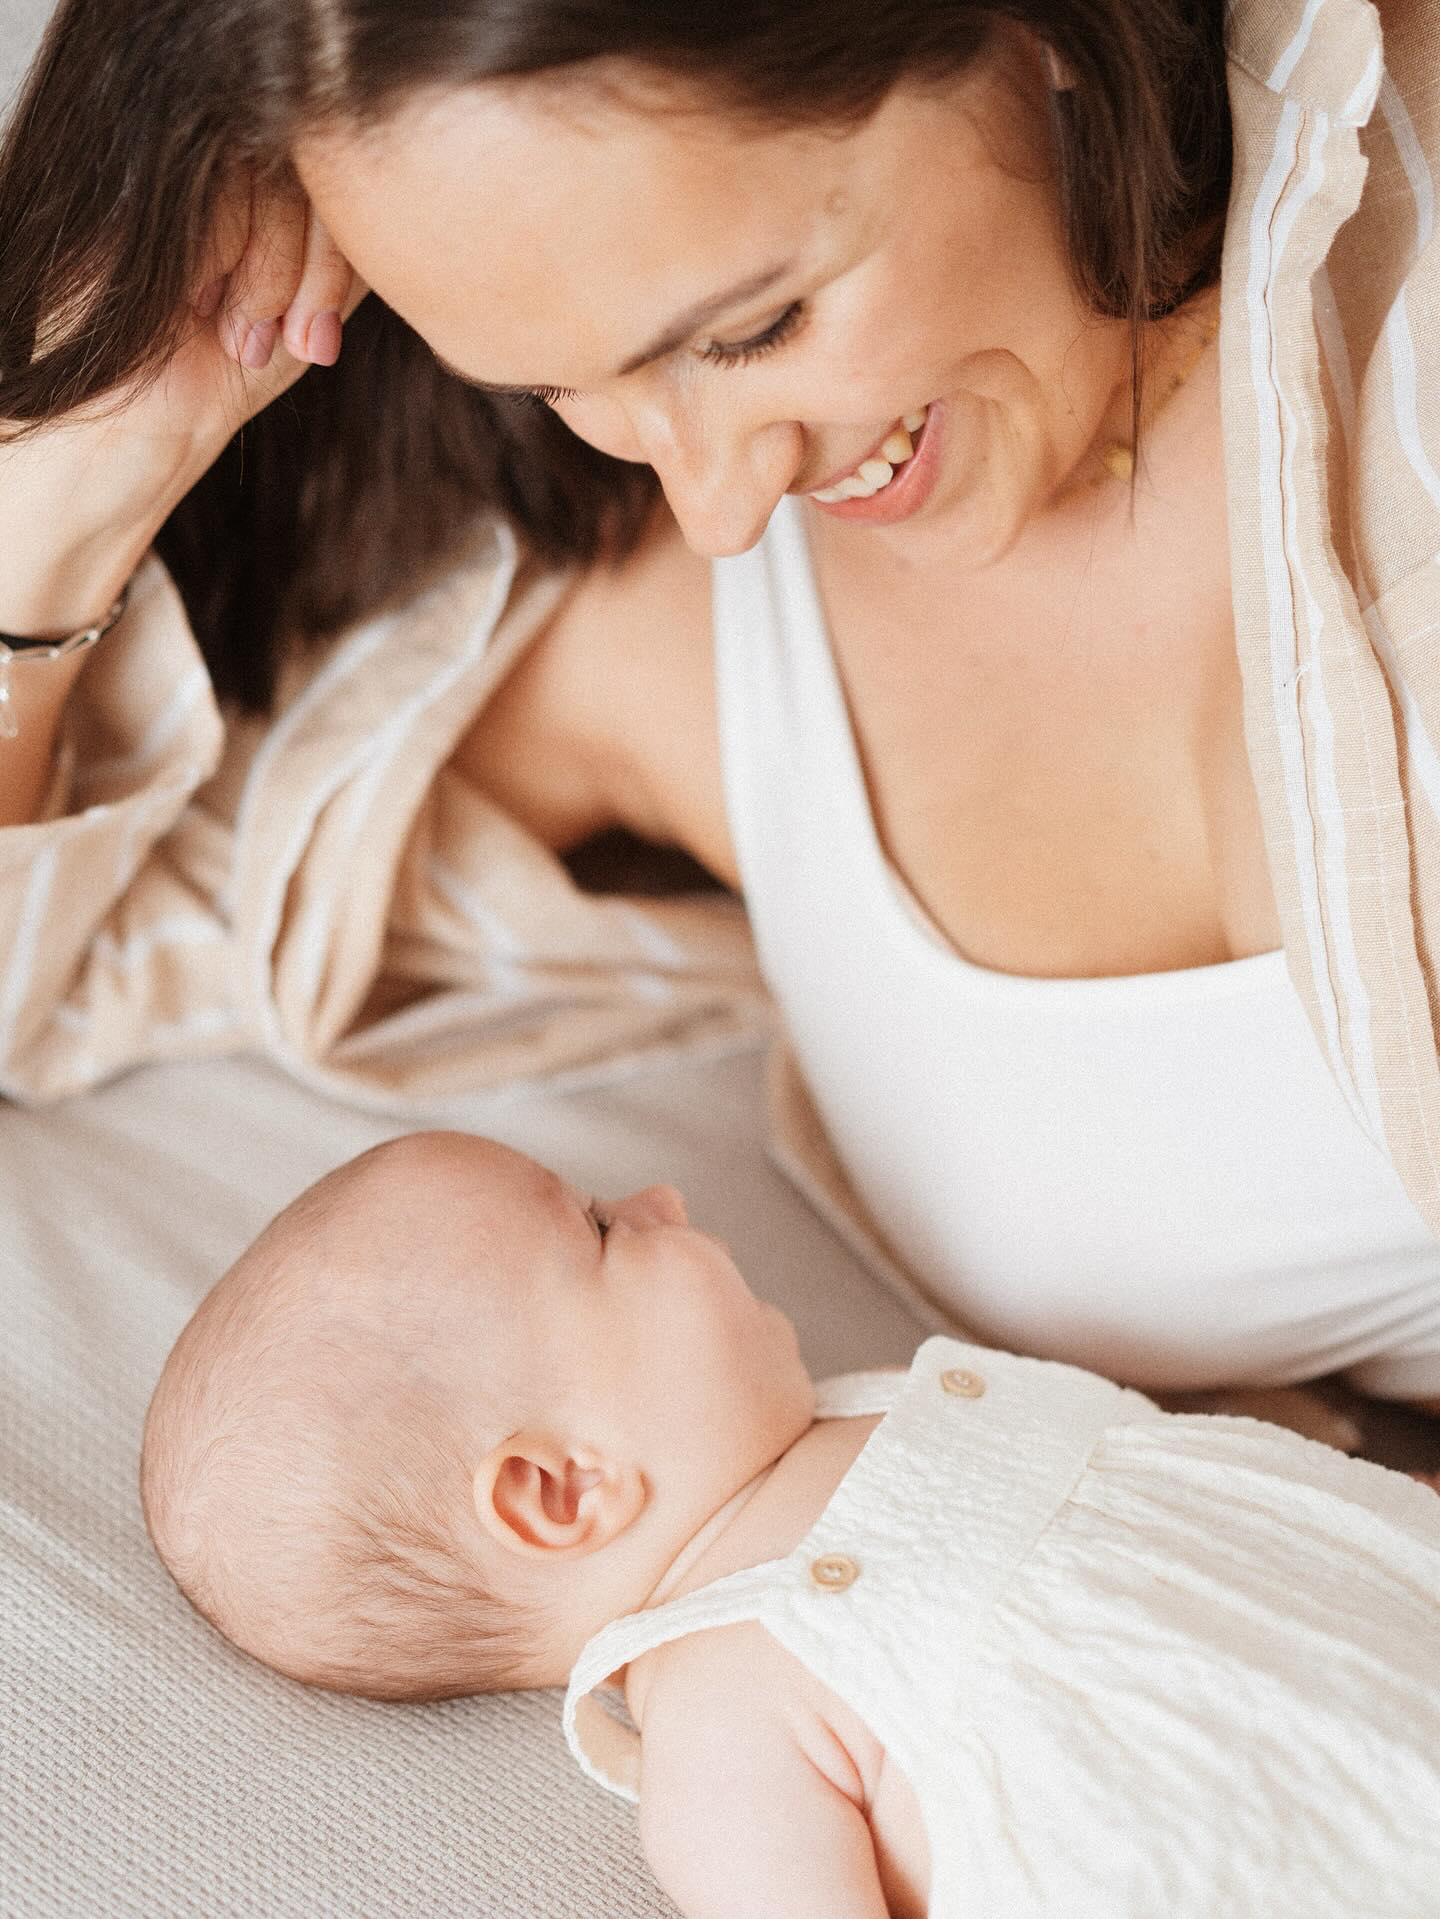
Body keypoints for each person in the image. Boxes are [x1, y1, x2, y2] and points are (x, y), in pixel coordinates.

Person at [3, 1, 1440, 1422]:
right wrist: (76, 475)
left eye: (757, 328)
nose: (722, 500)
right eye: (566, 384)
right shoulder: (652, 633)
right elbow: (40, 989)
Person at [140, 1130, 1440, 1919]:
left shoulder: (867, 1413)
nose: (661, 1197)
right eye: (600, 1227)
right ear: (562, 1490)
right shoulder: (722, 1728)